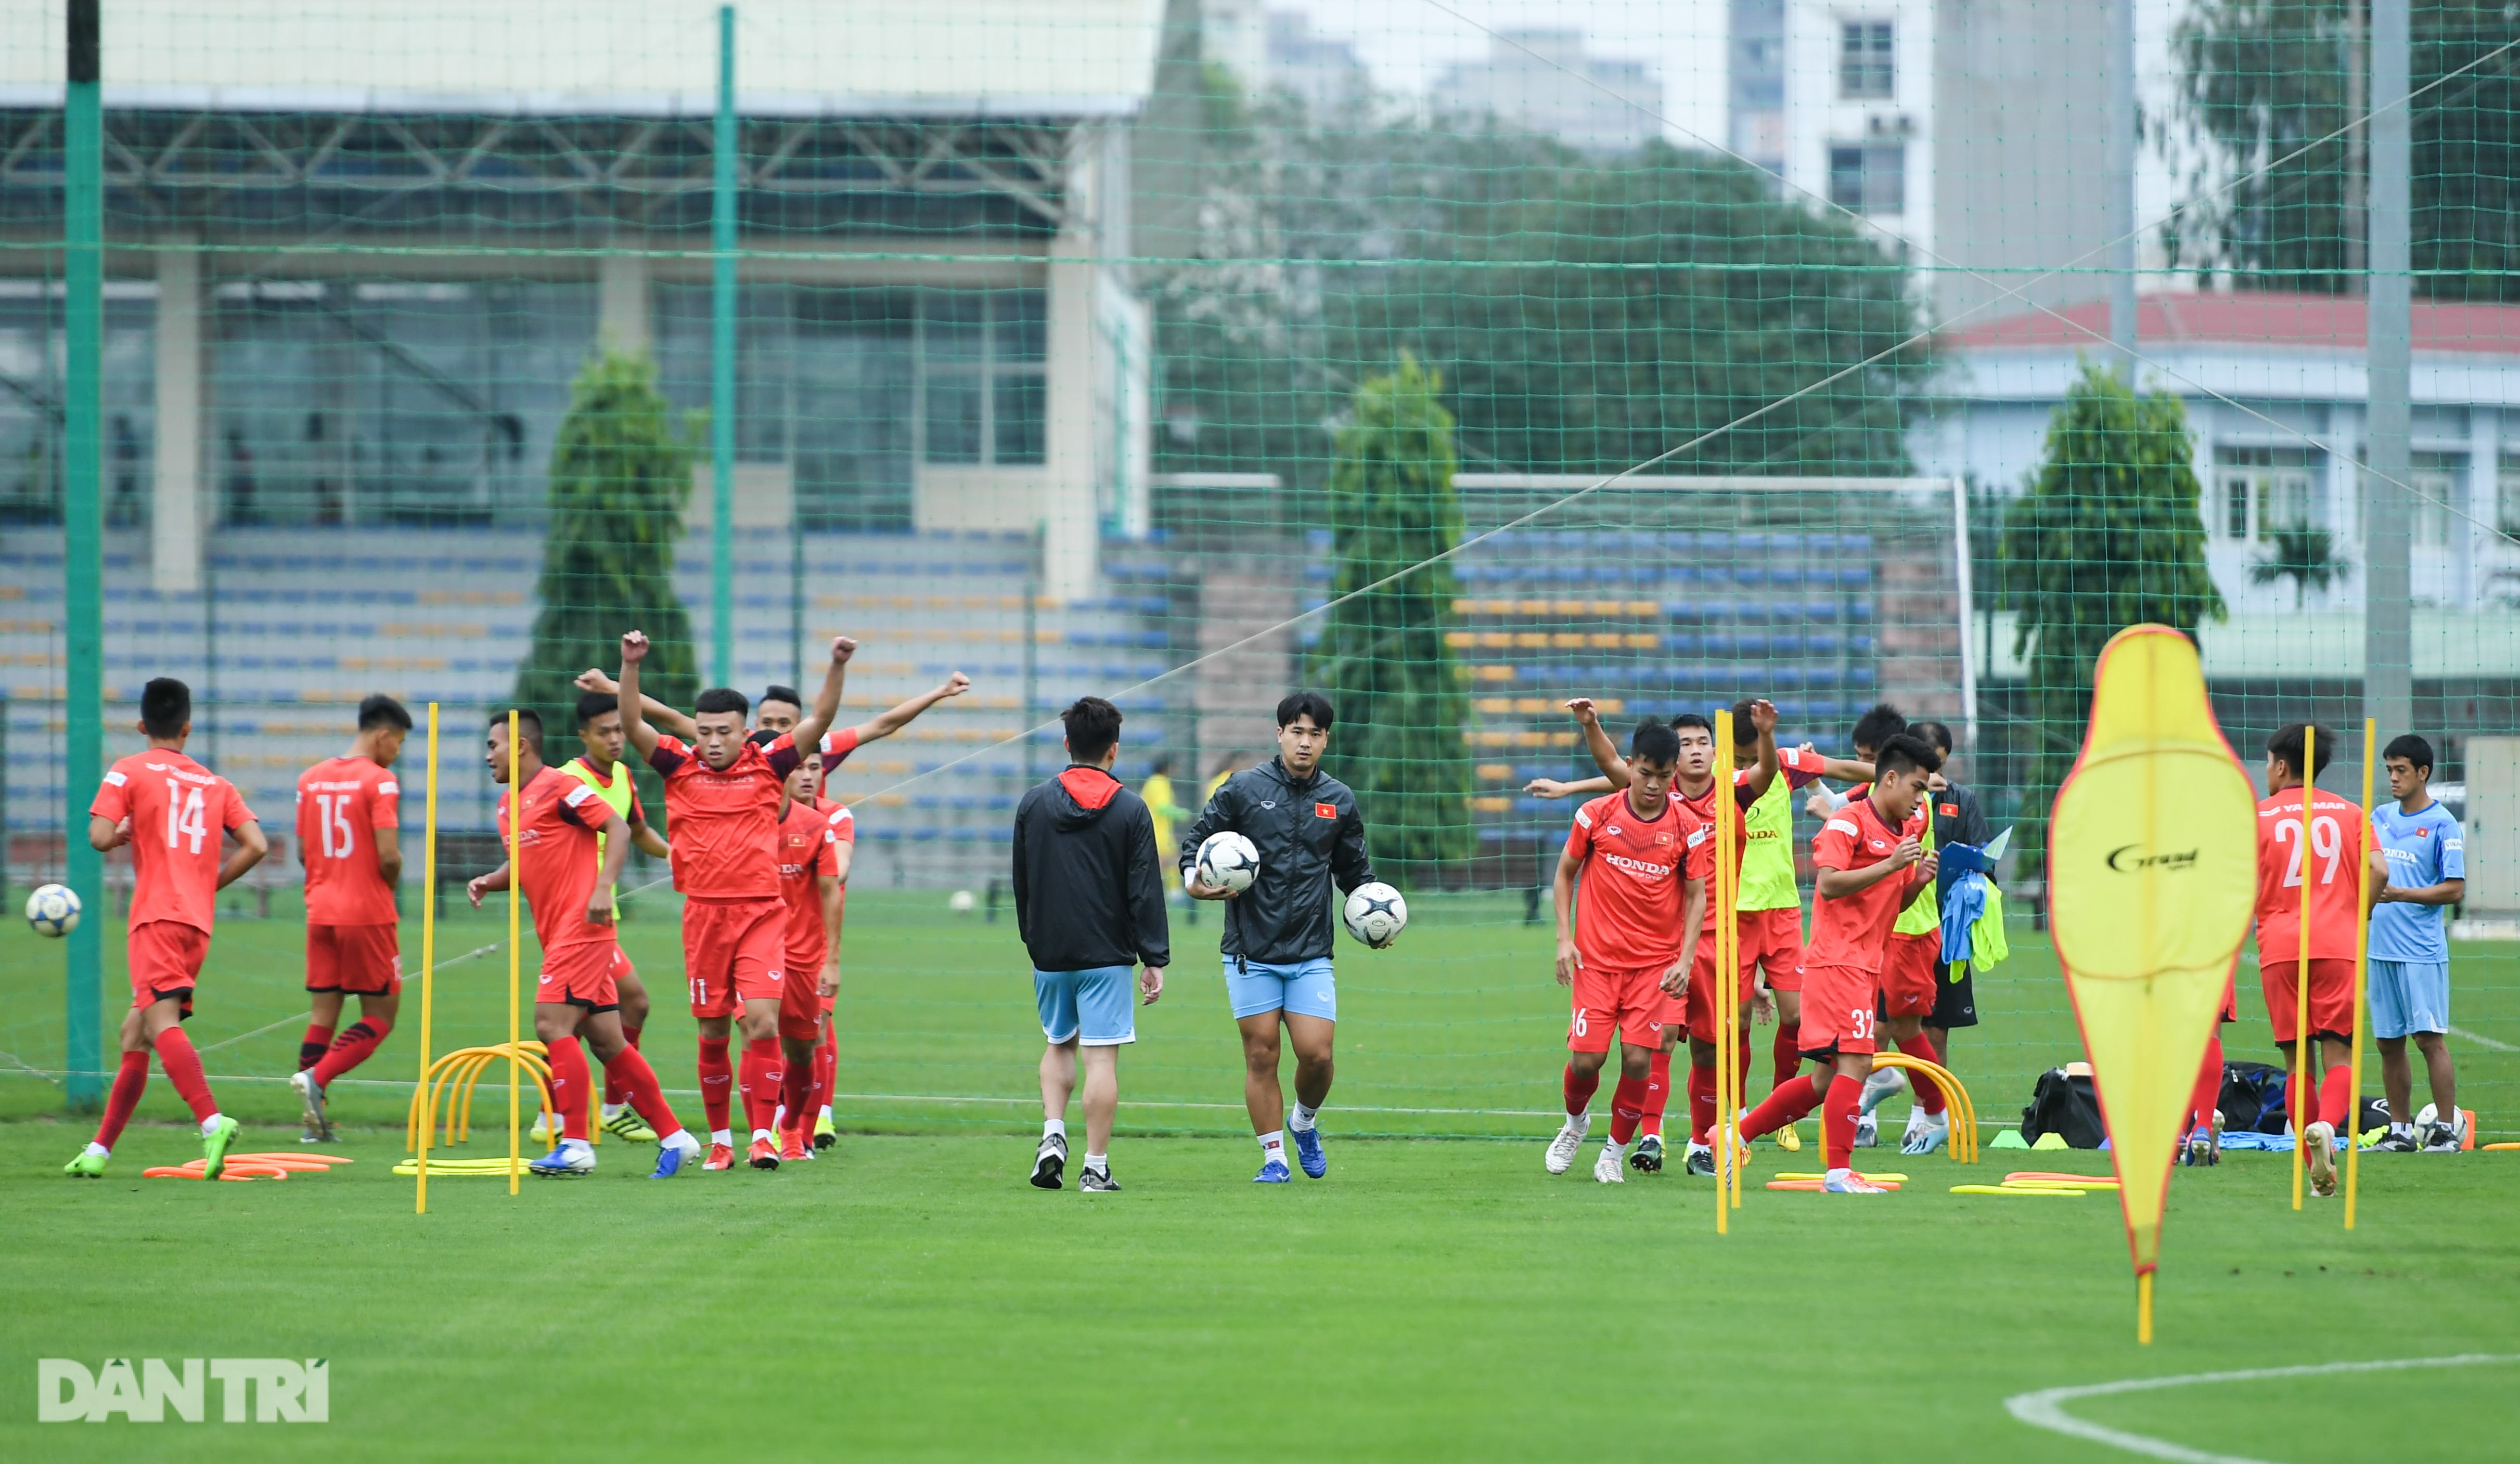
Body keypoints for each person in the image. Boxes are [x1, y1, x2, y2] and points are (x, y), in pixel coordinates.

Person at [1551, 698, 1852, 1173]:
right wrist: (1591, 724)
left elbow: (1768, 772)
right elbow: (1612, 763)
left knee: (1711, 1046)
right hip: (1664, 944)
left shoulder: (1735, 791)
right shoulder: (1659, 796)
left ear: (1718, 751)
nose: (1695, 750)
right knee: (1659, 1041)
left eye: (1703, 742)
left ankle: (1701, 1142)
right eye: (1686, 742)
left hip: (1722, 937)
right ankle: (1649, 1135)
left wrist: (1767, 736)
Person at [619, 628, 855, 1171]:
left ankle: (763, 1136)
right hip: (703, 915)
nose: (712, 742)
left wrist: (836, 665)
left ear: (744, 731)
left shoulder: (768, 762)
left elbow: (818, 720)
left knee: (764, 1024)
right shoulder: (679, 764)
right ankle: (721, 1140)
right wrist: (630, 666)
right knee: (711, 1030)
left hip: (761, 914)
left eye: (723, 732)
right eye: (704, 733)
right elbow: (633, 724)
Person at [466, 710, 699, 1178]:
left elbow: (616, 827)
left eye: (494, 745)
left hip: (583, 929)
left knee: (552, 1024)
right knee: (609, 1043)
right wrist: (491, 881)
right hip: (560, 934)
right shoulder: (508, 805)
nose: (487, 754)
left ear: (521, 747)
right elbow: (524, 863)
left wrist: (602, 886)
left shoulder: (559, 786)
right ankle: (677, 1139)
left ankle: (574, 1143)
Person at [66, 677, 268, 1179]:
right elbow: (257, 845)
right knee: (135, 1032)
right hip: (197, 923)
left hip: (155, 916)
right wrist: (209, 885)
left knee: (159, 1024)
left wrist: (119, 834)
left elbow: (96, 836)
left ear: (141, 726)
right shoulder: (216, 783)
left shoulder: (128, 769)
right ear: (187, 727)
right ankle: (99, 1150)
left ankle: (212, 1121)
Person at [1727, 733, 1942, 1194]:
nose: (1920, 799)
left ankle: (1733, 1136)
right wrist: (1890, 867)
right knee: (1857, 1064)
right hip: (1837, 963)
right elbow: (1827, 885)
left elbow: (1891, 905)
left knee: (1825, 1080)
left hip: (1865, 965)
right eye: (1917, 787)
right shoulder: (1848, 823)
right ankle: (1839, 1173)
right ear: (1890, 779)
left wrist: (1918, 880)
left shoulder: (1902, 835)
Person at [1179, 692, 1376, 1183]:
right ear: (1280, 733)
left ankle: (1303, 1121)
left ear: (1326, 739)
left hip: (1311, 950)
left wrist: (1374, 919)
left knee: (1318, 1055)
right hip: (1251, 949)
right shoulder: (1243, 788)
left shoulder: (1339, 799)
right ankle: (1274, 1158)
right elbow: (1196, 841)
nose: (1305, 742)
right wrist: (1193, 880)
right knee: (1261, 1053)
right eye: (1297, 731)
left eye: (1315, 733)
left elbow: (1355, 874)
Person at [1012, 696, 1169, 1192]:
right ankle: (1095, 1166)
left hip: (1050, 951)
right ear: (1114, 750)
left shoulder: (1034, 803)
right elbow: (1144, 888)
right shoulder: (1130, 807)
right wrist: (1154, 957)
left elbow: (1022, 882)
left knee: (1059, 1043)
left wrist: (1035, 938)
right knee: (1101, 1058)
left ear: (1066, 744)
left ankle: (1052, 1135)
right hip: (1107, 955)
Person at [1543, 719, 1706, 1183]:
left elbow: (1697, 896)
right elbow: (1564, 875)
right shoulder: (1596, 815)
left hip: (1654, 969)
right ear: (1630, 766)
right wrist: (1563, 937)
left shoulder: (1687, 828)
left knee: (1639, 1060)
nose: (1654, 785)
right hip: (1595, 962)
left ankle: (1613, 1152)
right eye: (1646, 773)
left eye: (1664, 775)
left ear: (1674, 773)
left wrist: (1685, 959)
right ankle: (1576, 1124)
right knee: (1586, 1061)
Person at [2251, 722, 2389, 1197]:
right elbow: (2379, 869)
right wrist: (2358, 913)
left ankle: (2312, 1149)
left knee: (2296, 1062)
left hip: (2281, 946)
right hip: (2337, 943)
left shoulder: (2259, 816)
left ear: (2282, 765)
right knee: (2340, 1054)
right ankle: (2328, 1129)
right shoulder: (2352, 813)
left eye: (2268, 763)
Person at [288, 693, 412, 1142]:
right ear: (382, 735)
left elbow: (303, 852)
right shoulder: (380, 781)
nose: (396, 752)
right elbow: (389, 854)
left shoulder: (310, 779)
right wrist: (388, 879)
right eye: (397, 742)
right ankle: (317, 1079)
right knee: (381, 1015)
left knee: (324, 1014)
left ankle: (311, 1125)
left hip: (320, 910)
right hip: (366, 914)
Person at [555, 687, 675, 1142]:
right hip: (574, 917)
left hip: (603, 918)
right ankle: (600, 1109)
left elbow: (639, 829)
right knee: (621, 1004)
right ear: (583, 734)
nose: (615, 738)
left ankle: (581, 1110)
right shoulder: (565, 780)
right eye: (603, 731)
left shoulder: (624, 775)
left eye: (619, 730)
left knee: (585, 1014)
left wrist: (675, 855)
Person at [2368, 733, 2466, 1153]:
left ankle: (2445, 1131)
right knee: (2388, 1043)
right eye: (2389, 769)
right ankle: (2400, 1131)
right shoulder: (2379, 816)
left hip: (2420, 951)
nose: (2393, 777)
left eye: (2401, 769)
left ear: (2422, 772)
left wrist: (2402, 894)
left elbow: (2455, 889)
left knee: (2428, 1039)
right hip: (2379, 947)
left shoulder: (2443, 822)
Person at [767, 748, 846, 1162]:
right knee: (756, 1032)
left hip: (808, 950)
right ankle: (758, 1136)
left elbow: (838, 875)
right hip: (758, 950)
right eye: (798, 767)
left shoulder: (831, 820)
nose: (807, 775)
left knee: (809, 1040)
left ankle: (805, 1124)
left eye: (815, 767)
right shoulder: (747, 817)